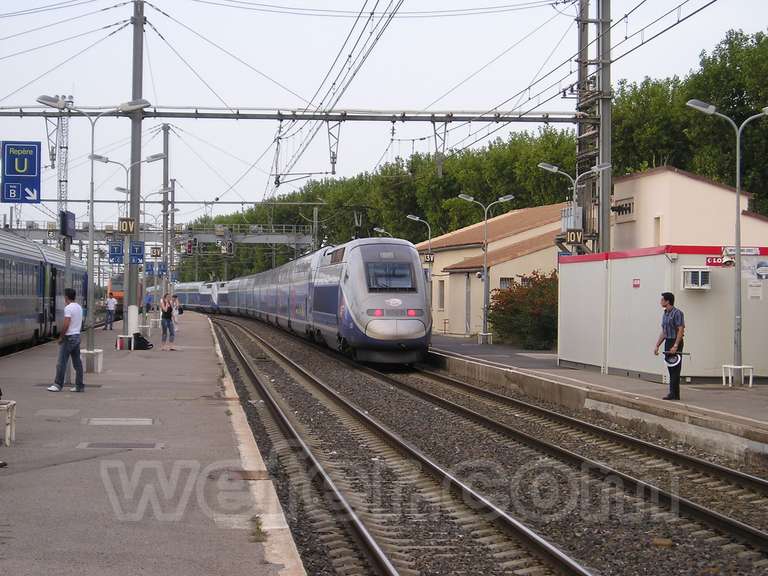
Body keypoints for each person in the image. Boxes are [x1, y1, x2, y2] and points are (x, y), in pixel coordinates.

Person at [49, 288, 85, 393]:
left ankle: (57, 384)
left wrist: (61, 336)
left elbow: (66, 323)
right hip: (77, 336)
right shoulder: (79, 307)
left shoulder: (68, 308)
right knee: (77, 363)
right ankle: (79, 386)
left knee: (61, 362)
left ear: (66, 297)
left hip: (69, 337)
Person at [654, 291, 685, 401]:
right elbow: (664, 331)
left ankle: (674, 393)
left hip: (675, 341)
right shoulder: (665, 313)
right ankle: (674, 393)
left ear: (668, 301)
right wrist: (657, 345)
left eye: (662, 299)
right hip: (668, 341)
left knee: (675, 368)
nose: (661, 301)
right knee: (670, 367)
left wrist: (676, 345)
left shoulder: (677, 313)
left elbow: (680, 329)